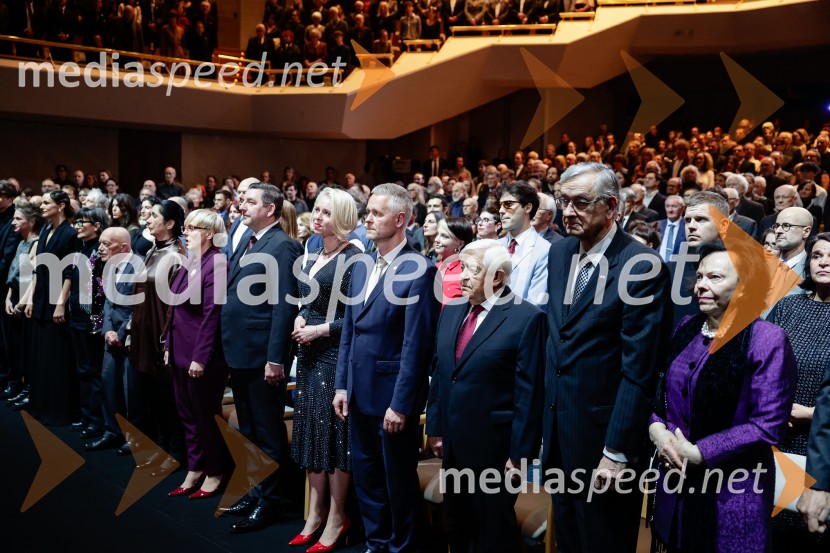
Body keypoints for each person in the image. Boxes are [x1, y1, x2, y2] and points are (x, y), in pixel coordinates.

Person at [544, 162, 672, 553]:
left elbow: (640, 371)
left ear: (612, 206)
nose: (568, 212)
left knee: (603, 542)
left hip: (605, 441)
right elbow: (558, 340)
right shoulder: (560, 251)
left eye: (581, 202)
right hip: (559, 432)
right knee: (567, 541)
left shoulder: (642, 267)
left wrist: (616, 451)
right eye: (564, 201)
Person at [649, 242, 797, 552]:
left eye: (714, 277)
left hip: (732, 494)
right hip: (676, 486)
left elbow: (768, 425)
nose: (701, 285)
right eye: (700, 277)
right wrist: (657, 429)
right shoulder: (686, 327)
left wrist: (701, 452)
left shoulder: (767, 339)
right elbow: (662, 397)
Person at [333, 183, 440, 553]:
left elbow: (416, 346)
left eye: (376, 213)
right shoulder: (362, 264)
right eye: (368, 212)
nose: (368, 219)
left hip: (392, 397)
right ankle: (376, 544)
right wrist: (342, 385)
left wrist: (402, 404)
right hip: (358, 390)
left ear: (400, 219)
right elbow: (350, 329)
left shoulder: (420, 269)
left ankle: (401, 548)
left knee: (397, 483)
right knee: (367, 478)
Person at [426, 239, 545, 553]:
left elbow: (529, 394)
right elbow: (441, 373)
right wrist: (435, 427)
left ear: (497, 277)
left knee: (491, 534)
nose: (463, 276)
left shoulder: (526, 318)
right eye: (462, 267)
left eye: (473, 270)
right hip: (453, 444)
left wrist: (520, 456)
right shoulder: (453, 309)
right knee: (457, 526)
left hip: (496, 450)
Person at [220, 182, 301, 533]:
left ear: (270, 209)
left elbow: (283, 306)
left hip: (261, 355)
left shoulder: (283, 245)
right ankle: (255, 491)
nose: (242, 205)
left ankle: (271, 501)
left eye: (250, 201)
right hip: (239, 350)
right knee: (249, 429)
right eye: (242, 200)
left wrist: (276, 358)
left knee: (267, 432)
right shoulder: (249, 239)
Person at [289, 188, 360, 551]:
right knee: (311, 433)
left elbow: (355, 318)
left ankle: (337, 516)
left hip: (333, 353)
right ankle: (314, 513)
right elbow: (307, 301)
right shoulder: (315, 251)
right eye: (316, 210)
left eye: (326, 212)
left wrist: (318, 329)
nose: (317, 217)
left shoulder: (354, 257)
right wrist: (302, 316)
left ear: (343, 218)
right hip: (308, 353)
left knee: (333, 438)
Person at [768, 232, 830, 550]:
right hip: (778, 434)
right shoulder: (788, 307)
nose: (824, 262)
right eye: (817, 255)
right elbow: (761, 364)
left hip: (821, 443)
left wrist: (812, 414)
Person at [164, 210, 230, 499]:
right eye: (186, 227)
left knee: (204, 416)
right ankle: (195, 467)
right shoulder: (190, 260)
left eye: (192, 228)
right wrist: (168, 345)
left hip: (201, 355)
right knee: (186, 414)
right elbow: (174, 308)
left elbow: (212, 314)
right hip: (180, 348)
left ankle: (215, 471)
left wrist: (200, 357)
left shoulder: (217, 263)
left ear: (209, 233)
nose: (185, 232)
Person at [129, 200, 187, 475]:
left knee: (168, 400)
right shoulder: (154, 249)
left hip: (161, 337)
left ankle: (175, 454)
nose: (148, 219)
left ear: (170, 223)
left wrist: (167, 341)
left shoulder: (177, 255)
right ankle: (160, 448)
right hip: (143, 333)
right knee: (151, 398)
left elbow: (175, 307)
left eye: (154, 216)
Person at [20, 190, 82, 424]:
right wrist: (30, 298)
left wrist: (60, 304)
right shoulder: (46, 230)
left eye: (47, 203)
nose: (42, 206)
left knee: (56, 358)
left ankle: (57, 411)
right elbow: (38, 269)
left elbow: (70, 273)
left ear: (61, 205)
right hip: (41, 299)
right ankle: (40, 407)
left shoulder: (70, 234)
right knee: (40, 357)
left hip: (57, 300)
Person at [86, 227, 141, 454]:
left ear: (124, 247)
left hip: (131, 339)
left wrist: (120, 333)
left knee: (132, 391)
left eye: (106, 244)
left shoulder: (139, 266)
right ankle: (112, 432)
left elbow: (140, 307)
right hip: (110, 337)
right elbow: (108, 303)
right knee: (108, 385)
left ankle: (136, 438)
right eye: (100, 243)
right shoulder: (110, 265)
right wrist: (107, 330)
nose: (100, 248)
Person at [68, 207, 109, 441]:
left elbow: (101, 289)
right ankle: (86, 416)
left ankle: (96, 420)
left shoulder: (100, 251)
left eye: (82, 222)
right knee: (82, 369)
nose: (77, 226)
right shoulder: (80, 248)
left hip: (93, 318)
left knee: (93, 371)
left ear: (96, 225)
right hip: (77, 314)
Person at [3, 202, 42, 407]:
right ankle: (16, 383)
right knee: (14, 346)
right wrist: (8, 297)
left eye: (18, 218)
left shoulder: (36, 244)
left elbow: (30, 277)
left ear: (31, 221)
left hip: (26, 299)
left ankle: (28, 388)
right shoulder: (21, 243)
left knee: (26, 348)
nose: (13, 222)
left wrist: (21, 302)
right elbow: (13, 273)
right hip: (15, 296)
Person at [499, 181, 550, 307]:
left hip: (519, 317)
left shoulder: (544, 250)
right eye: (500, 205)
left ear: (528, 208)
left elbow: (535, 305)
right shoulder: (495, 246)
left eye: (508, 204)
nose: (501, 211)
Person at [434, 217, 474, 305]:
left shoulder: (465, 272)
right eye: (437, 234)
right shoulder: (434, 267)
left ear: (460, 244)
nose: (436, 239)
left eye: (444, 236)